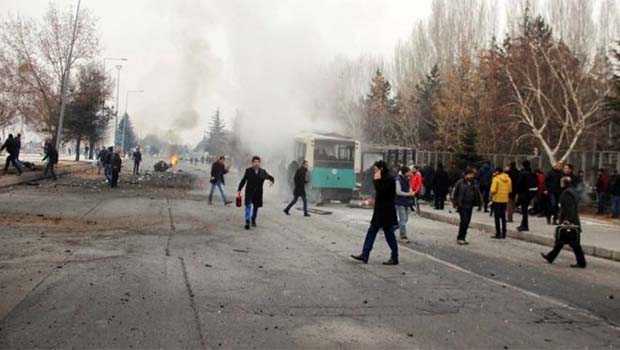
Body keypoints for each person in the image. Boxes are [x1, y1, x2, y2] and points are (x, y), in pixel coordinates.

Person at [351, 160, 399, 265]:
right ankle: (365, 254)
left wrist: (376, 180)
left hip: (386, 213)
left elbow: (381, 192)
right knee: (371, 233)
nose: (375, 172)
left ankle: (394, 257)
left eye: (376, 170)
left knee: (389, 235)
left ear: (381, 169)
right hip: (379, 212)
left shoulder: (389, 179)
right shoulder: (383, 179)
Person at [541, 176, 586, 268]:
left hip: (569, 220)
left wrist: (568, 219)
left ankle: (581, 262)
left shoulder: (567, 193)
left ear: (564, 183)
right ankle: (550, 257)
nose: (560, 184)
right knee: (561, 241)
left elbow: (569, 208)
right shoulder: (572, 191)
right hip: (572, 219)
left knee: (574, 243)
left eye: (561, 182)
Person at [237, 156, 275, 230]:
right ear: (252, 163)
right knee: (248, 206)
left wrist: (271, 181)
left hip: (258, 193)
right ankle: (247, 221)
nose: (256, 164)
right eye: (255, 162)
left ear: (259, 163)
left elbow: (270, 177)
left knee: (255, 207)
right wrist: (239, 189)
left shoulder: (262, 171)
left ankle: (253, 219)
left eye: (258, 162)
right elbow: (244, 180)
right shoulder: (248, 171)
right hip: (249, 191)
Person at [452, 168, 482, 245]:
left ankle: (463, 236)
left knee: (467, 221)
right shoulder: (460, 183)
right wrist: (455, 203)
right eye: (470, 174)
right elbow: (454, 192)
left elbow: (478, 194)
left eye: (472, 174)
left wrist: (479, 203)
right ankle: (460, 237)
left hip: (470, 205)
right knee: (464, 221)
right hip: (462, 205)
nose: (471, 176)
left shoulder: (474, 183)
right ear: (466, 175)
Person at [516, 160, 537, 232]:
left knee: (524, 210)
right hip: (530, 193)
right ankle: (524, 224)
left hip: (523, 193)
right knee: (525, 209)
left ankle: (524, 225)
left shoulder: (523, 173)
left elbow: (519, 184)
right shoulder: (532, 173)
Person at [394, 166, 415, 240]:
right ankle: (403, 235)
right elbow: (398, 192)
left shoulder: (407, 179)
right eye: (409, 172)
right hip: (399, 202)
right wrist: (408, 194)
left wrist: (411, 191)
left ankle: (392, 228)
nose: (410, 173)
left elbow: (409, 187)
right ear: (405, 172)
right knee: (403, 219)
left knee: (405, 219)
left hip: (406, 202)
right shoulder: (398, 180)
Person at [490, 167, 512, 239]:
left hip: (497, 200)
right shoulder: (508, 179)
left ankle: (498, 233)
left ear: (497, 172)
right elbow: (509, 190)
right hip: (505, 200)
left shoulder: (496, 179)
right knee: (503, 217)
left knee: (497, 217)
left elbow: (493, 190)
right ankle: (504, 233)